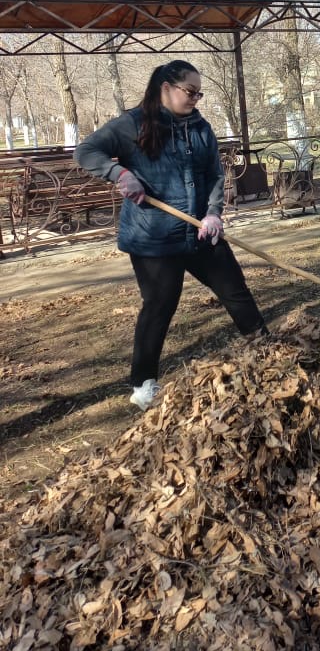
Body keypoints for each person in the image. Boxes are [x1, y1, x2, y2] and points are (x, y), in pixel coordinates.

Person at [75, 59, 268, 411]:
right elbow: (86, 151)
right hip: (154, 238)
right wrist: (119, 174)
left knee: (235, 290)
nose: (195, 98)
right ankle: (143, 384)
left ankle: (267, 351)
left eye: (199, 93)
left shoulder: (200, 127)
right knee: (160, 305)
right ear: (166, 87)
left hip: (199, 231)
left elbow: (214, 173)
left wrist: (213, 213)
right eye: (190, 91)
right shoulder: (132, 124)